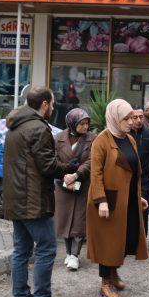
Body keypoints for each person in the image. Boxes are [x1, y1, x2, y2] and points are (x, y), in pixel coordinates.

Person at [3, 86, 78, 297]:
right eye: (52, 103)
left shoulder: (15, 126)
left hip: (16, 199)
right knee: (46, 248)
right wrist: (69, 167)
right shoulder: (38, 128)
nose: (53, 108)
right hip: (34, 201)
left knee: (21, 251)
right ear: (44, 104)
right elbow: (47, 166)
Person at [86, 99, 149, 297]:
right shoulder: (101, 141)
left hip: (127, 199)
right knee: (108, 242)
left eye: (132, 117)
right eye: (126, 118)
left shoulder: (129, 139)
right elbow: (95, 174)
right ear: (114, 118)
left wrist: (137, 196)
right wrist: (101, 200)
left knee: (125, 238)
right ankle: (105, 281)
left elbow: (131, 172)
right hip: (108, 201)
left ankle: (113, 273)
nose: (131, 122)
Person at [54, 108, 97, 271]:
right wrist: (66, 174)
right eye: (81, 124)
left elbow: (92, 161)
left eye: (87, 123)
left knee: (79, 221)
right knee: (65, 220)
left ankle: (75, 255)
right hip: (63, 185)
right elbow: (54, 159)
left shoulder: (92, 139)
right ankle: (68, 253)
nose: (85, 127)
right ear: (72, 123)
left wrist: (76, 175)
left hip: (83, 184)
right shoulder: (58, 138)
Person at [130, 108, 149, 236]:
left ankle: (142, 236)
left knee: (143, 207)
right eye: (135, 117)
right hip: (128, 177)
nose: (138, 120)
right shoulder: (124, 133)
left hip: (145, 178)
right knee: (129, 207)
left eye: (140, 117)